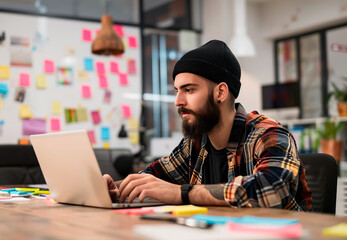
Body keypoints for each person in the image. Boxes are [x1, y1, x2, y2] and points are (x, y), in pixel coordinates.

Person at [103, 39, 312, 211]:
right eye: (177, 90)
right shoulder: (196, 144)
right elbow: (153, 177)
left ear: (220, 92)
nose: (178, 101)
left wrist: (180, 193)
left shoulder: (268, 135)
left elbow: (271, 190)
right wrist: (116, 188)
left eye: (189, 90)